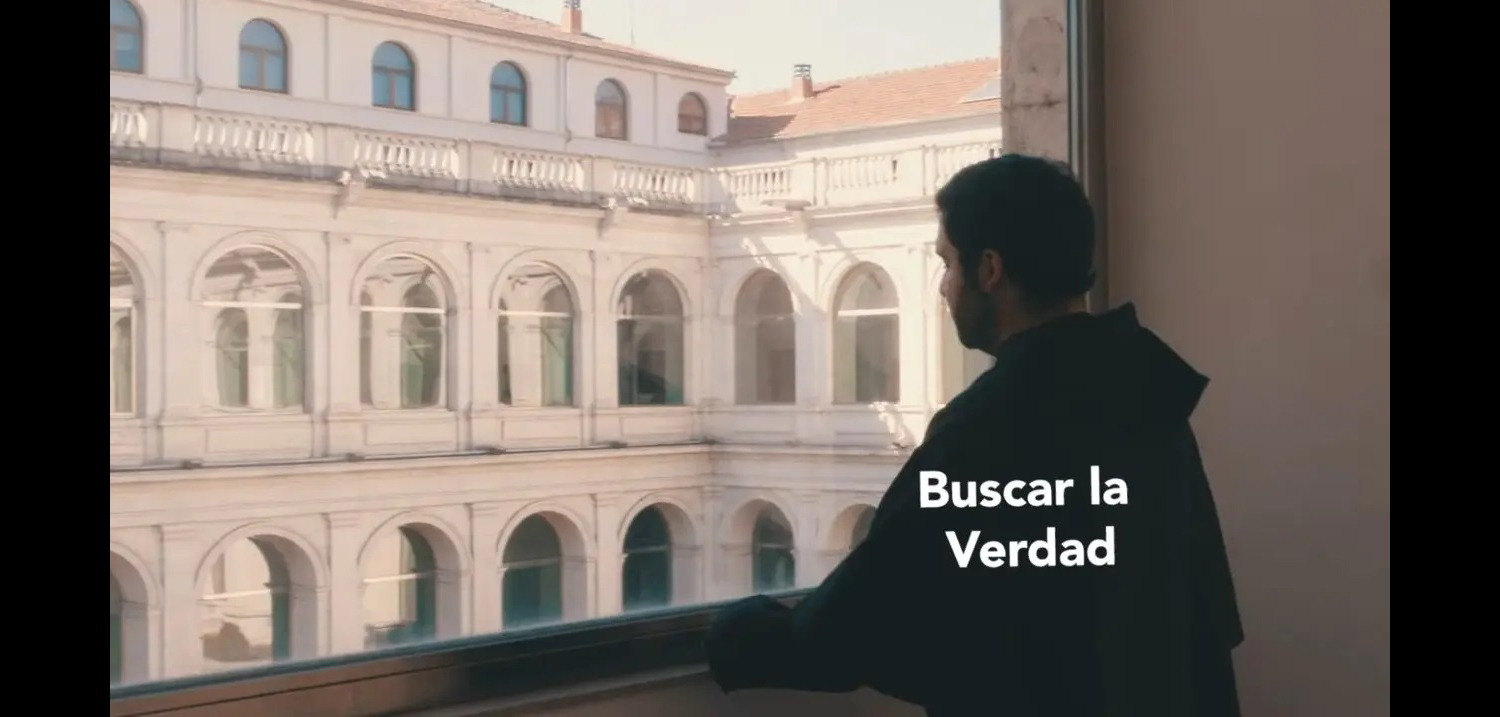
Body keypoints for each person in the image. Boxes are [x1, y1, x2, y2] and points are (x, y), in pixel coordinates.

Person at [704, 154, 1245, 717]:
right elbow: (1206, 615)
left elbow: (864, 612)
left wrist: (736, 636)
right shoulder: (1148, 392)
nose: (944, 287)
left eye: (947, 263)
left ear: (989, 270)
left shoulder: (988, 427)